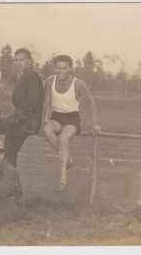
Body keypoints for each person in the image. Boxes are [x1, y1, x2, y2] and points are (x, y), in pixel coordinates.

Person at [41, 55, 101, 193]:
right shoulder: (50, 81)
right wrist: (42, 122)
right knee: (47, 130)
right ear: (55, 68)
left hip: (72, 119)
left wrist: (95, 124)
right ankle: (67, 158)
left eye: (64, 68)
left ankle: (62, 181)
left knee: (63, 139)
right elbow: (45, 104)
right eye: (58, 68)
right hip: (56, 116)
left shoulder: (79, 84)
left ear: (70, 68)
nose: (61, 71)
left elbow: (91, 103)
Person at [0, 48, 44, 168]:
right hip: (20, 122)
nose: (18, 63)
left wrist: (17, 118)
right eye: (16, 60)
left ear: (30, 61)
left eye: (22, 60)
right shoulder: (22, 76)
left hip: (25, 123)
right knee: (9, 155)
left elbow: (33, 102)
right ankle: (10, 183)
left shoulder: (32, 76)